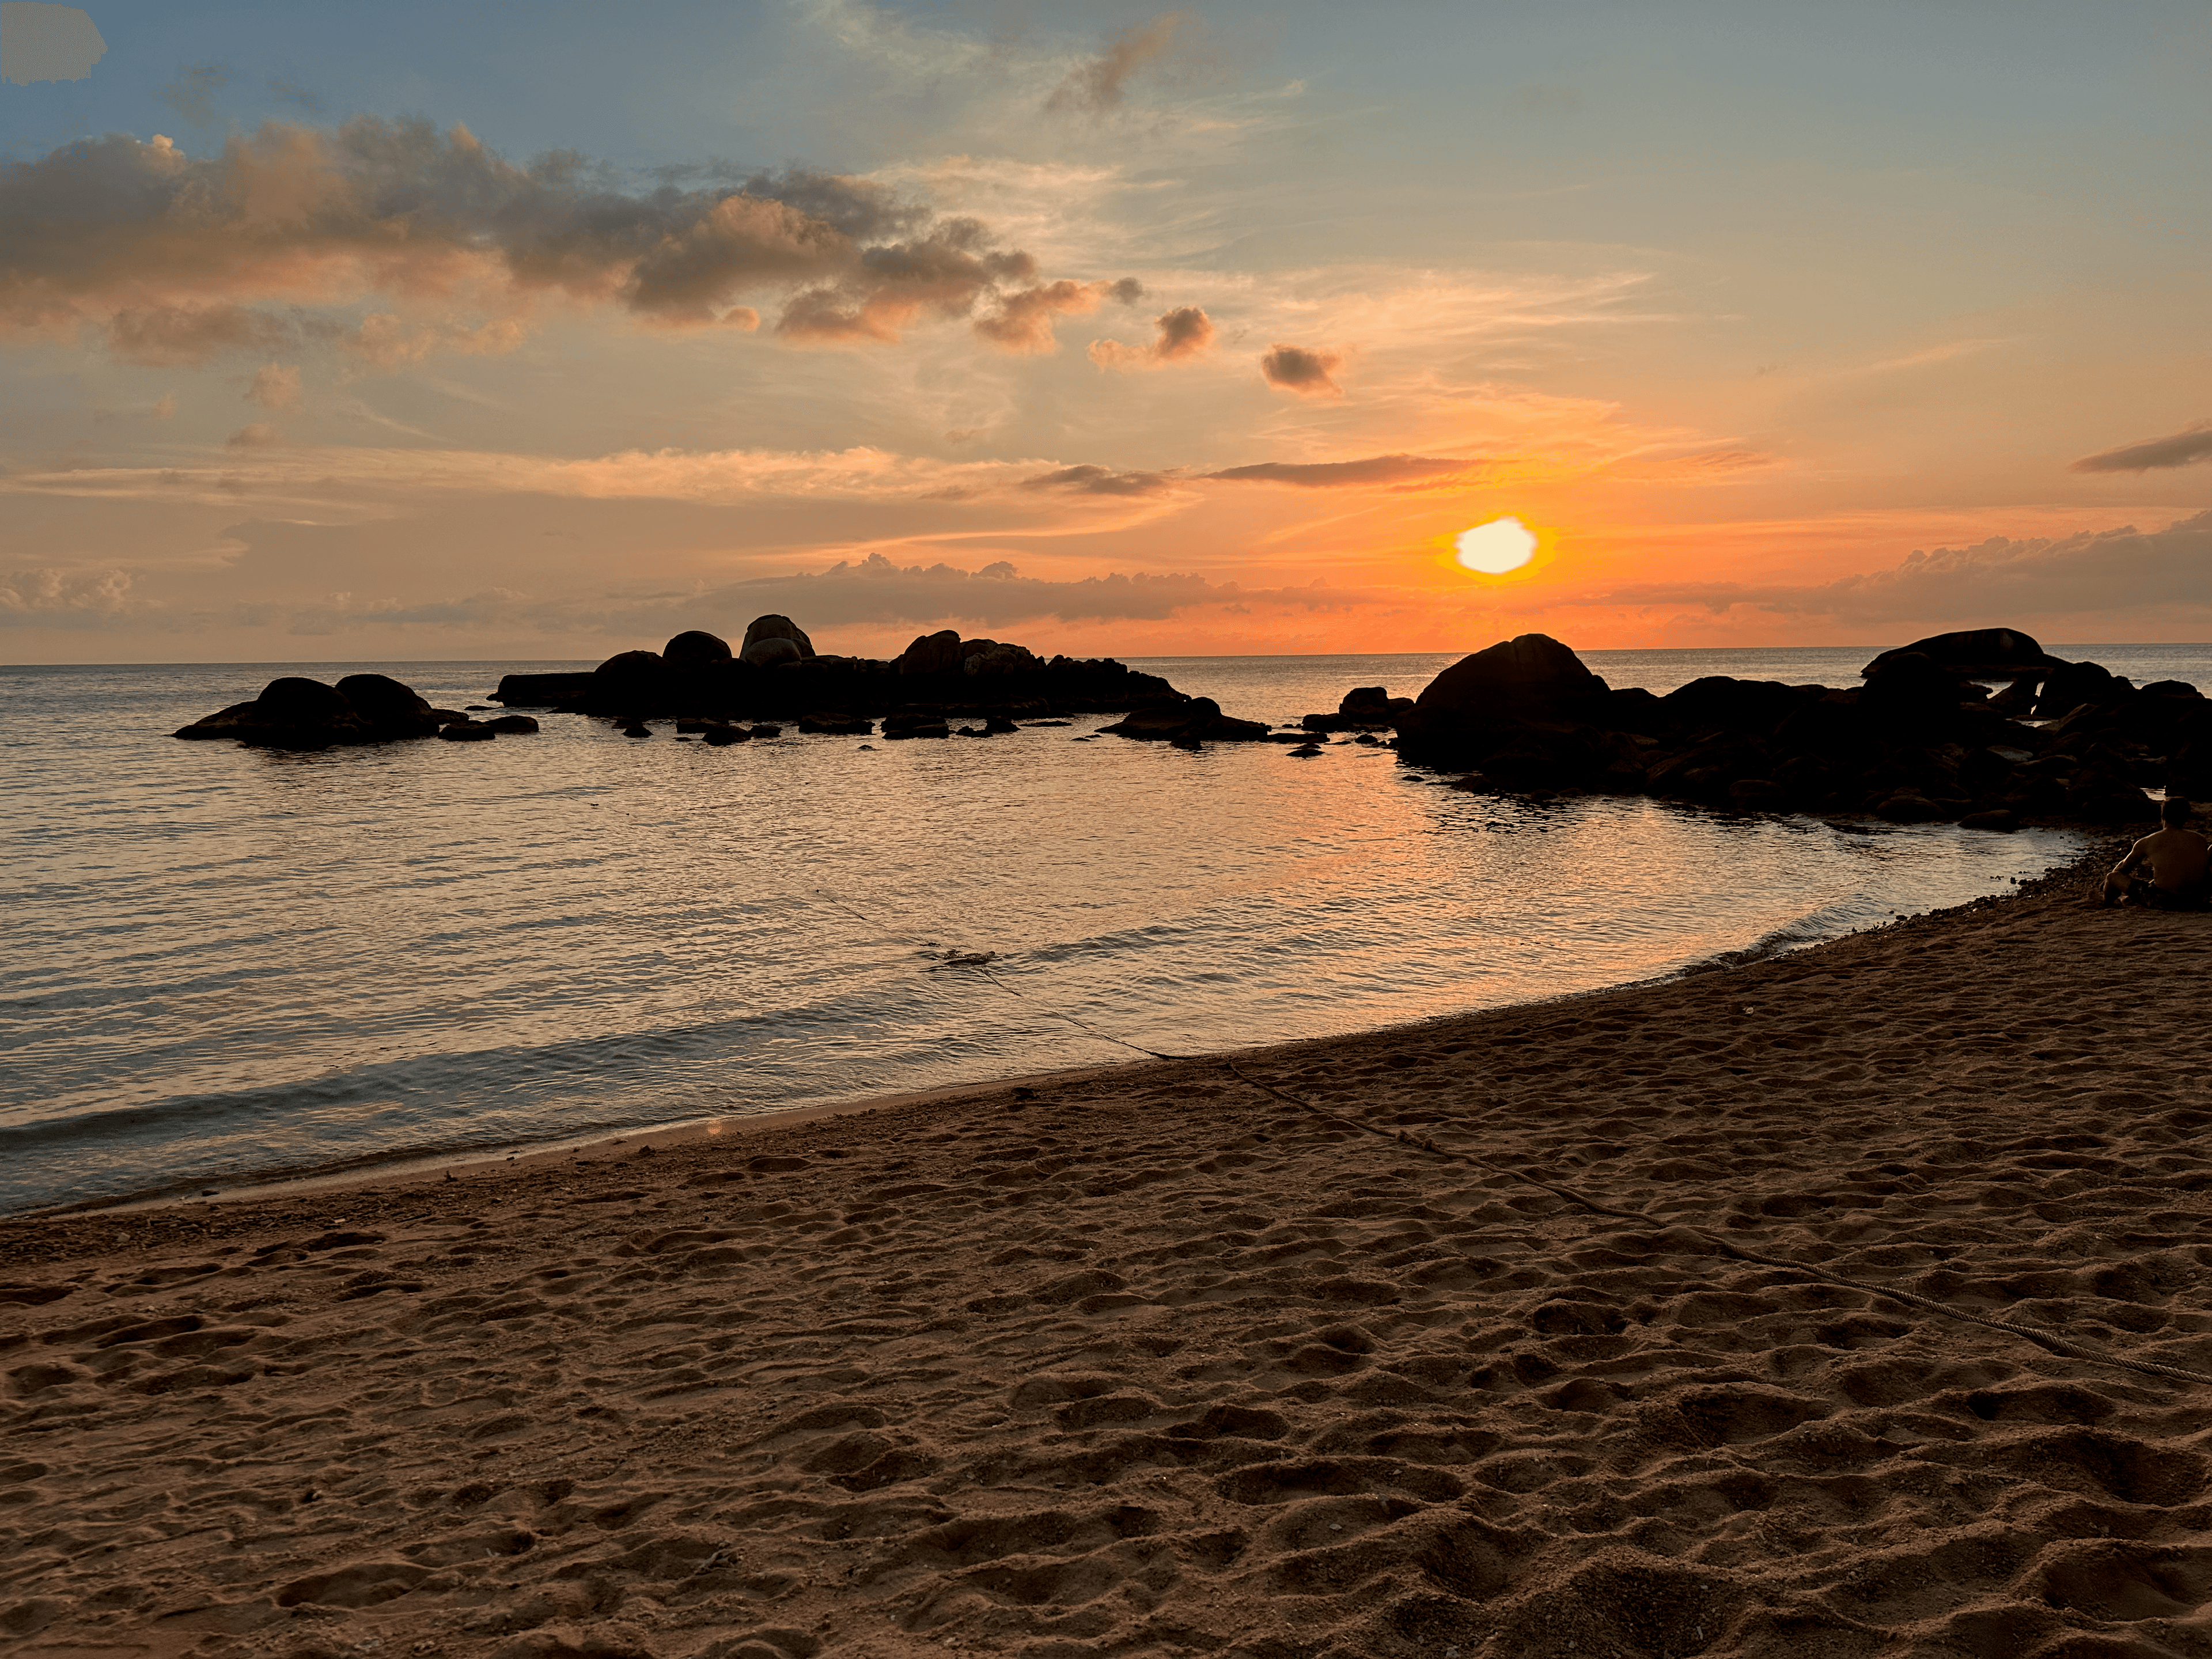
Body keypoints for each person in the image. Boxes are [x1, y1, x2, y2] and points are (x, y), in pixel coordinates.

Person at [2102, 797, 2211, 910]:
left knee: (2112, 877)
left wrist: (2106, 884)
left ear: (2162, 816)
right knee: (2157, 881)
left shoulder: (2148, 841)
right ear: (2186, 818)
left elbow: (2124, 868)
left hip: (2164, 901)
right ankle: (2128, 900)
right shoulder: (2201, 840)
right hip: (2197, 899)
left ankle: (2107, 904)